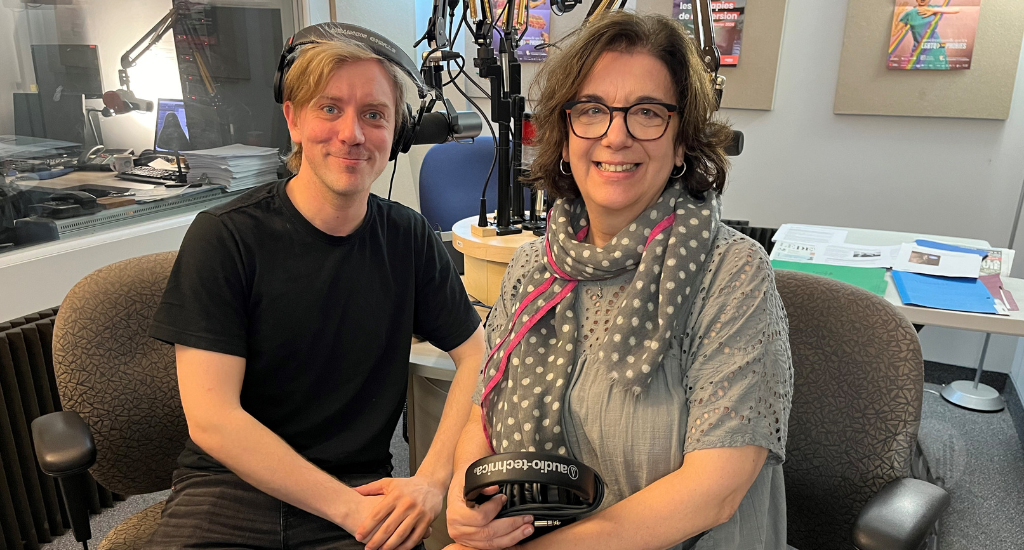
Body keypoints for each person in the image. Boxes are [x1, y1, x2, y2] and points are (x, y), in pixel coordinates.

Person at [444, 11, 793, 550]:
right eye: (592, 111)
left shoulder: (731, 275)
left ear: (681, 143)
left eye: (647, 113)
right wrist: (464, 502)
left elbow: (714, 491)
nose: (616, 135)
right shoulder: (533, 267)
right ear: (564, 137)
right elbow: (480, 416)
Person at [145, 35, 486, 550]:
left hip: (361, 486)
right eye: (330, 108)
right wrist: (348, 511)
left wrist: (433, 480)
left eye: (374, 114)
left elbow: (479, 354)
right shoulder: (226, 237)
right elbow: (214, 421)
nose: (352, 134)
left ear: (395, 133)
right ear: (294, 120)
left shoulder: (408, 238)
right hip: (229, 491)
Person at [892, 0, 962, 70]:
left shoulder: (934, 9)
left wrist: (933, 10)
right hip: (919, 50)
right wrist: (896, 14)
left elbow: (957, 10)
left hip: (936, 49)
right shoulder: (910, 14)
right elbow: (893, 33)